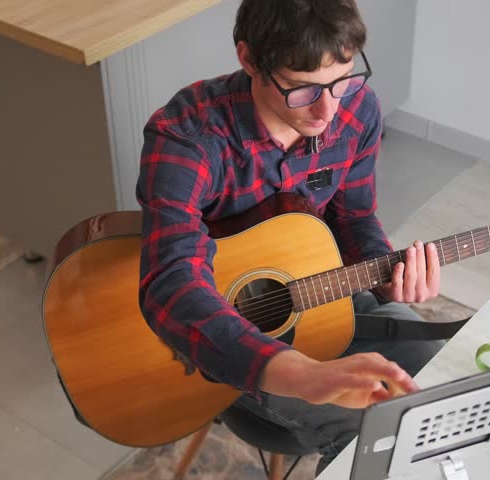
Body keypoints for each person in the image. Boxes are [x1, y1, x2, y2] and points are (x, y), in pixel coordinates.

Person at [137, 0, 445, 473]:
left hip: (317, 294)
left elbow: (355, 218)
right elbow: (171, 283)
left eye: (342, 81)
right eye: (303, 90)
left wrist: (388, 271)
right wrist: (299, 373)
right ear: (248, 59)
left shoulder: (357, 111)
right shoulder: (187, 135)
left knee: (435, 364)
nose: (328, 110)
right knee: (369, 427)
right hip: (215, 346)